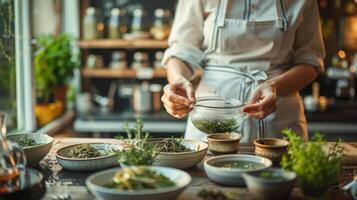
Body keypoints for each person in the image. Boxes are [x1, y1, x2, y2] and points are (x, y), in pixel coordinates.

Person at [161, 0, 325, 143]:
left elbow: (310, 61)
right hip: (210, 114)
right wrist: (177, 80)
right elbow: (181, 51)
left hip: (278, 116)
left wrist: (275, 86)